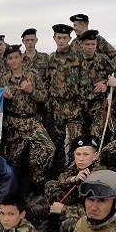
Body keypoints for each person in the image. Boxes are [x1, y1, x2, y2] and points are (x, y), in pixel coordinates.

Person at [1, 45, 56, 196]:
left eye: (16, 57)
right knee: (13, 161)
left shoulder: (32, 75)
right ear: (6, 61)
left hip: (32, 122)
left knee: (49, 148)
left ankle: (37, 182)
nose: (14, 61)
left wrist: (31, 90)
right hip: (14, 123)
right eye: (10, 58)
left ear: (21, 57)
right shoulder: (3, 80)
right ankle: (14, 192)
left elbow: (44, 97)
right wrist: (4, 99)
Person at [42, 134, 99, 232]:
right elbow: (61, 179)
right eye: (78, 154)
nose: (81, 158)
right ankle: (53, 224)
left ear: (95, 156)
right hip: (76, 204)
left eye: (86, 154)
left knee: (70, 224)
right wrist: (74, 178)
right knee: (51, 185)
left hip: (92, 217)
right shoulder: (77, 166)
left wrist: (64, 209)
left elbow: (94, 213)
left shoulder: (99, 176)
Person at [45, 24, 83, 170]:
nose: (61, 41)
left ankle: (76, 171)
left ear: (69, 38)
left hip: (74, 106)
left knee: (76, 142)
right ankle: (59, 173)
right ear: (54, 38)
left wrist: (80, 103)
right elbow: (47, 82)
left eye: (64, 38)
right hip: (56, 108)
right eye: (58, 37)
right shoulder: (51, 59)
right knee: (57, 142)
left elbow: (84, 81)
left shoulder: (78, 58)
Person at [77, 30, 114, 138]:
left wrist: (105, 84)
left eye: (92, 44)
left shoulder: (103, 59)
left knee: (96, 137)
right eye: (87, 44)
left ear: (96, 44)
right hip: (80, 108)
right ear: (81, 44)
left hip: (98, 107)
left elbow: (114, 75)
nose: (90, 47)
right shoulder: (74, 61)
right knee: (80, 139)